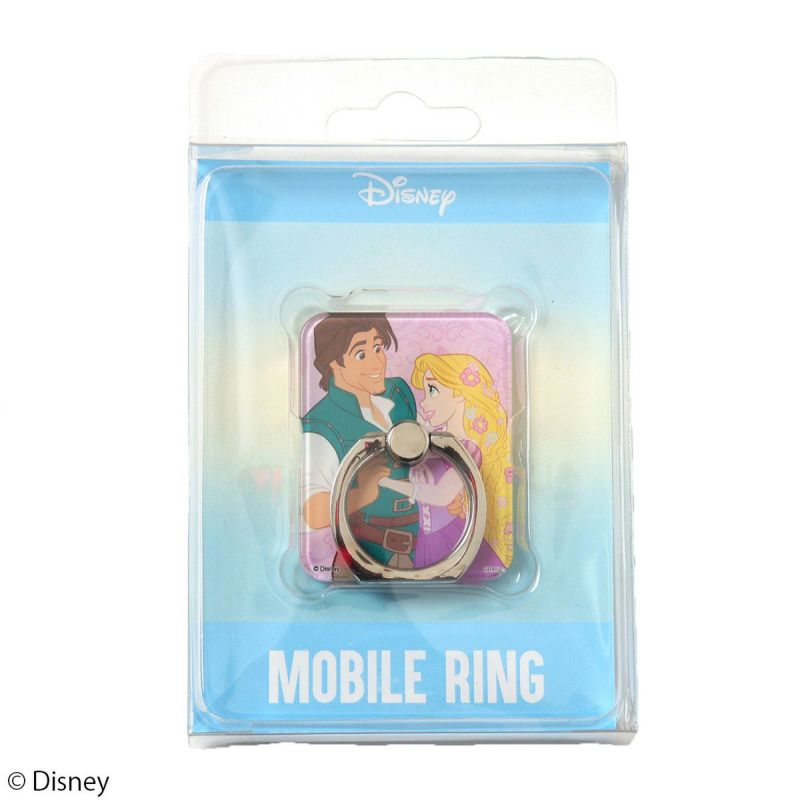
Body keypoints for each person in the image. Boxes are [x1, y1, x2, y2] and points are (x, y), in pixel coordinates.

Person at [301, 314, 419, 569]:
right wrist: (361, 494)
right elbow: (312, 511)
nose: (378, 362)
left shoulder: (398, 395)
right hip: (363, 554)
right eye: (361, 354)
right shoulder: (321, 426)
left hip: (418, 546)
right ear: (334, 362)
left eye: (378, 348)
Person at [378, 353, 513, 573]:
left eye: (432, 390)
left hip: (451, 536)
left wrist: (387, 483)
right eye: (424, 392)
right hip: (425, 537)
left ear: (459, 394)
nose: (424, 402)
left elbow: (441, 495)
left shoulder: (468, 449)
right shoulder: (429, 437)